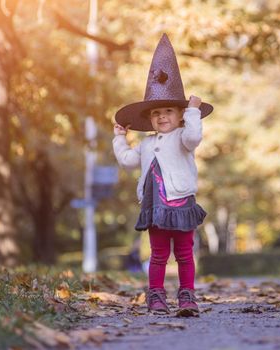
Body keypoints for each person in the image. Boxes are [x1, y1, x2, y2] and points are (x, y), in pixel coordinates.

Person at [112, 34, 213, 315]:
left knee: (184, 254)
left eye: (169, 110)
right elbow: (128, 161)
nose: (162, 116)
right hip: (155, 207)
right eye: (156, 113)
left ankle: (187, 297)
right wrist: (120, 138)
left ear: (180, 115)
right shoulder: (146, 145)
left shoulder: (184, 136)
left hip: (181, 203)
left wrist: (193, 112)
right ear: (150, 119)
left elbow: (195, 138)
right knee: (158, 255)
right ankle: (155, 296)